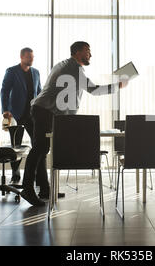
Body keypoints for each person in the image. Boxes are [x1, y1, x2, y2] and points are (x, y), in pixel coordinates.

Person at [20, 41, 128, 206]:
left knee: (42, 149)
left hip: (44, 110)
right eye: (87, 51)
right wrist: (118, 86)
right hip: (45, 111)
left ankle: (44, 189)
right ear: (77, 52)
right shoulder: (74, 68)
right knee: (39, 149)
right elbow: (94, 90)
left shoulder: (65, 65)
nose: (90, 54)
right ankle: (27, 188)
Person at [1, 47, 42, 184]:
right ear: (22, 57)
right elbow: (4, 91)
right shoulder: (12, 71)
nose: (31, 59)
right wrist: (5, 109)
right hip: (16, 114)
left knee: (37, 144)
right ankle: (15, 174)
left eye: (32, 57)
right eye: (29, 57)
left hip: (32, 114)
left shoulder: (36, 73)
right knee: (15, 145)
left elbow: (40, 92)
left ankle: (35, 174)